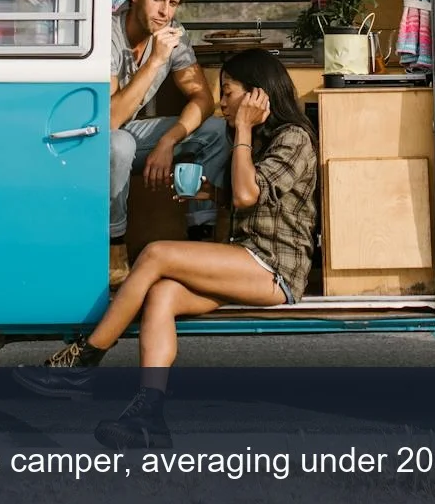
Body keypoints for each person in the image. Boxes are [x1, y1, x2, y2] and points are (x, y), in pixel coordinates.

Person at [16, 48, 319, 447]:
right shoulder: (259, 139)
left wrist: (243, 132)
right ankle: (149, 416)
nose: (222, 102)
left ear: (256, 96)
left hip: (274, 269)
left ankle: (82, 360)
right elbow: (250, 194)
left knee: (156, 253)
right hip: (245, 261)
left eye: (228, 93)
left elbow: (248, 195)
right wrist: (211, 192)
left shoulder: (292, 137)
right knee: (161, 294)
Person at [107, 0, 229, 284]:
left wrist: (168, 140)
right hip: (90, 139)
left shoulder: (174, 35)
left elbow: (203, 99)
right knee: (118, 143)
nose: (165, 12)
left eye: (172, 3)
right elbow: (110, 119)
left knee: (217, 129)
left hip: (134, 136)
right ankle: (114, 245)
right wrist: (157, 59)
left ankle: (199, 235)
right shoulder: (109, 33)